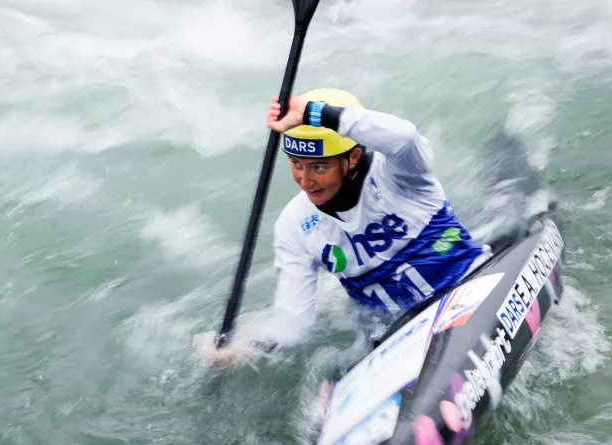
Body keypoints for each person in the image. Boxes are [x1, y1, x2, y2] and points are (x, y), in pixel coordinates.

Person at [200, 88, 491, 368]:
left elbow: (403, 135)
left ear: (352, 157)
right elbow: (294, 322)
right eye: (296, 164)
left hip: (467, 284)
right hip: (392, 335)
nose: (305, 180)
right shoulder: (294, 225)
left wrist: (312, 113)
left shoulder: (400, 173)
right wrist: (249, 348)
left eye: (319, 167)